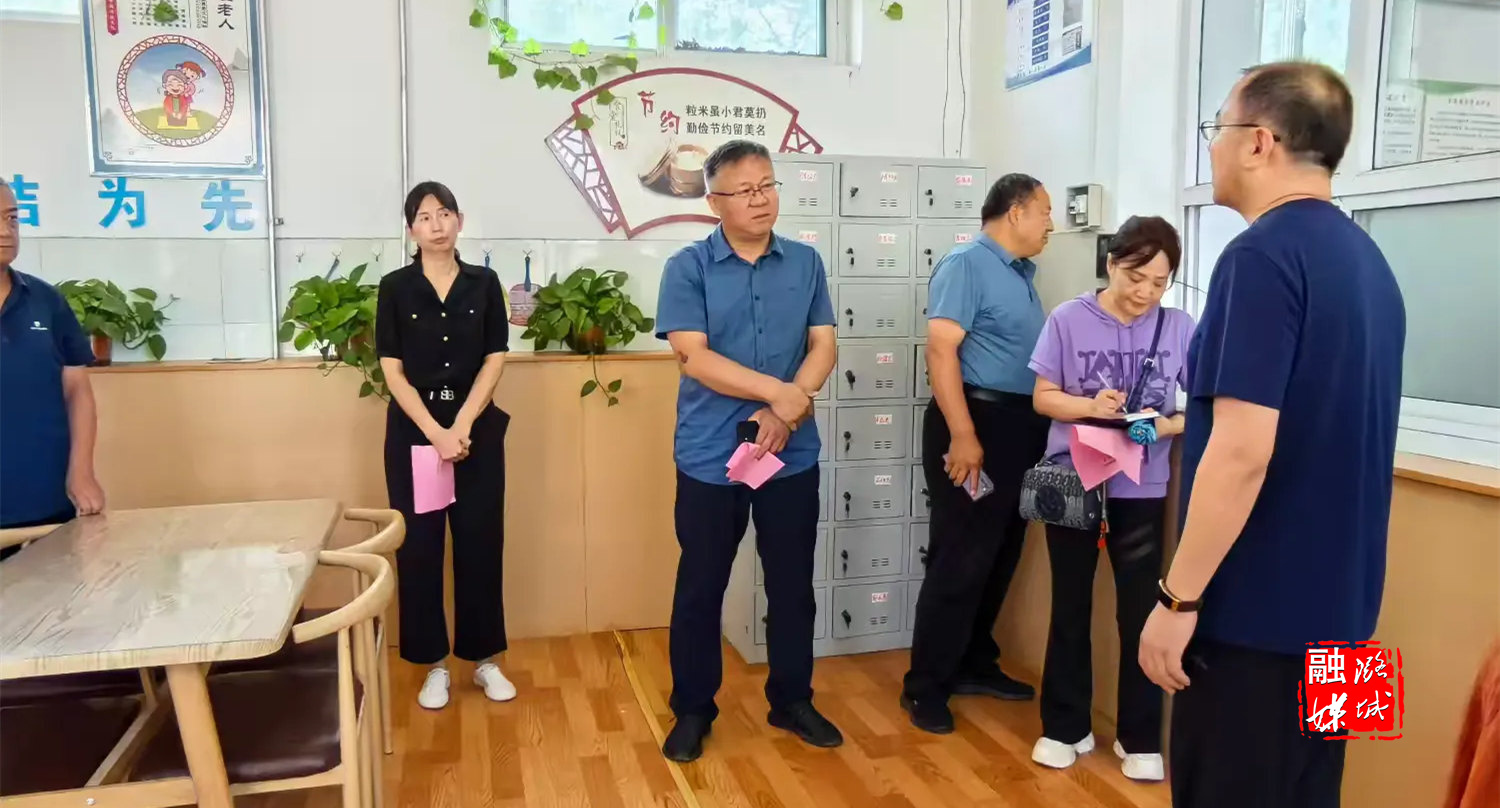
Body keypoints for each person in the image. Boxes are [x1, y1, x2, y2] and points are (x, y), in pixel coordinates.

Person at [1137, 61, 1405, 808]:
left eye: (1217, 129)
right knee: (1315, 794)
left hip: (1257, 629)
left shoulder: (1260, 257)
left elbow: (1241, 452)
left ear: (1259, 142)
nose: (1212, 148)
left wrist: (1176, 602)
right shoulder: (1371, 263)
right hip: (1349, 625)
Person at [655, 140, 840, 763]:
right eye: (745, 190)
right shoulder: (688, 268)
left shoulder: (806, 262)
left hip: (791, 453)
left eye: (768, 185)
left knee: (791, 585)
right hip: (711, 456)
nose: (761, 199)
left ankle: (792, 700)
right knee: (701, 586)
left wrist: (789, 406)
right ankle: (693, 709)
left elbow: (823, 344)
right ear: (715, 203)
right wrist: (777, 394)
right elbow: (694, 357)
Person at [1026, 215, 1194, 781]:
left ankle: (1138, 736)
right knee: (1070, 604)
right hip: (1075, 479)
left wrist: (1165, 426)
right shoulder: (1068, 319)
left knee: (1140, 611)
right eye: (1135, 277)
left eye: (1159, 282)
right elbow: (1044, 398)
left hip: (1142, 487)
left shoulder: (1179, 327)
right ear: (1111, 264)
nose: (1146, 292)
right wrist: (1090, 407)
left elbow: (1201, 403)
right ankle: (1064, 726)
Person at [901, 173, 1054, 734]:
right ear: (1015, 211)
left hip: (1018, 427)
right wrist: (963, 434)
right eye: (1044, 211)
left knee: (1001, 551)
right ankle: (925, 687)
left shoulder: (1020, 274)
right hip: (974, 422)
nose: (1051, 224)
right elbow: (940, 351)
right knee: (960, 557)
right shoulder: (967, 263)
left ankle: (972, 663)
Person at [376, 181, 514, 710]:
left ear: (459, 220)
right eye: (424, 217)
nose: (436, 225)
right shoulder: (395, 287)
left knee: (480, 544)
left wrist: (461, 423)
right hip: (417, 438)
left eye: (445, 214)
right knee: (421, 548)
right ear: (411, 229)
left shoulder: (484, 282)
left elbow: (495, 356)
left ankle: (484, 660)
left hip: (475, 432)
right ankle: (433, 666)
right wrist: (436, 432)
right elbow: (392, 369)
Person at [0, 177, 106, 560]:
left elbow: (77, 389)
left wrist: (82, 471)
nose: (6, 232)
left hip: (46, 508)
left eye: (12, 219)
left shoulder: (46, 301)